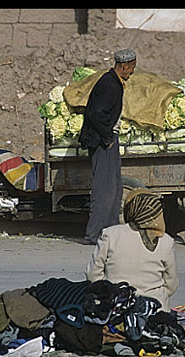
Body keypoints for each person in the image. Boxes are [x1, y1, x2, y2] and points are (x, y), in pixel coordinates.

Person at [78, 48, 137, 245]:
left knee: (115, 187)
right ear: (124, 66)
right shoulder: (109, 85)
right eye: (132, 68)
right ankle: (93, 235)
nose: (132, 72)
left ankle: (111, 232)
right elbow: (96, 114)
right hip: (102, 141)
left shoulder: (115, 82)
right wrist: (108, 136)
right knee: (103, 189)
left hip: (108, 139)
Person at [84, 188, 178, 312]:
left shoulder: (111, 234)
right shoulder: (165, 241)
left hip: (116, 309)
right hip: (155, 310)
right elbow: (171, 284)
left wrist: (108, 293)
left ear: (130, 209)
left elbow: (93, 275)